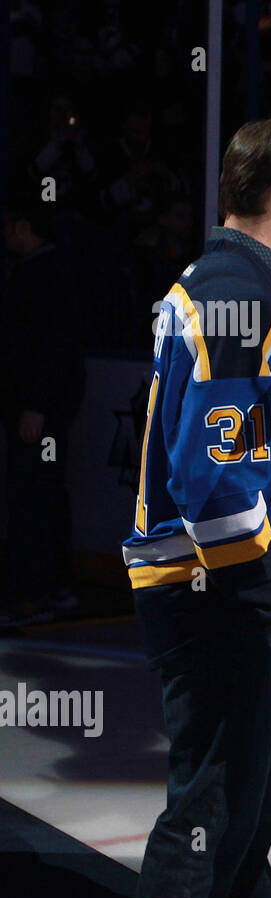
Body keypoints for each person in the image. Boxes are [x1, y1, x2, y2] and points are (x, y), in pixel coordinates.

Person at [122, 117, 271, 898]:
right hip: (218, 597)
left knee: (240, 813)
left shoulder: (223, 287)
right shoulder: (239, 299)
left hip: (219, 593)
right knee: (212, 815)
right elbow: (212, 480)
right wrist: (265, 593)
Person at [0, 196, 85, 626]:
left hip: (41, 415)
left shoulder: (47, 277)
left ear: (24, 227)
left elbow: (55, 348)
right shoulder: (35, 273)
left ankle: (38, 592)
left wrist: (36, 405)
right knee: (39, 491)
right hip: (35, 411)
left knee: (36, 493)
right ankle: (51, 587)